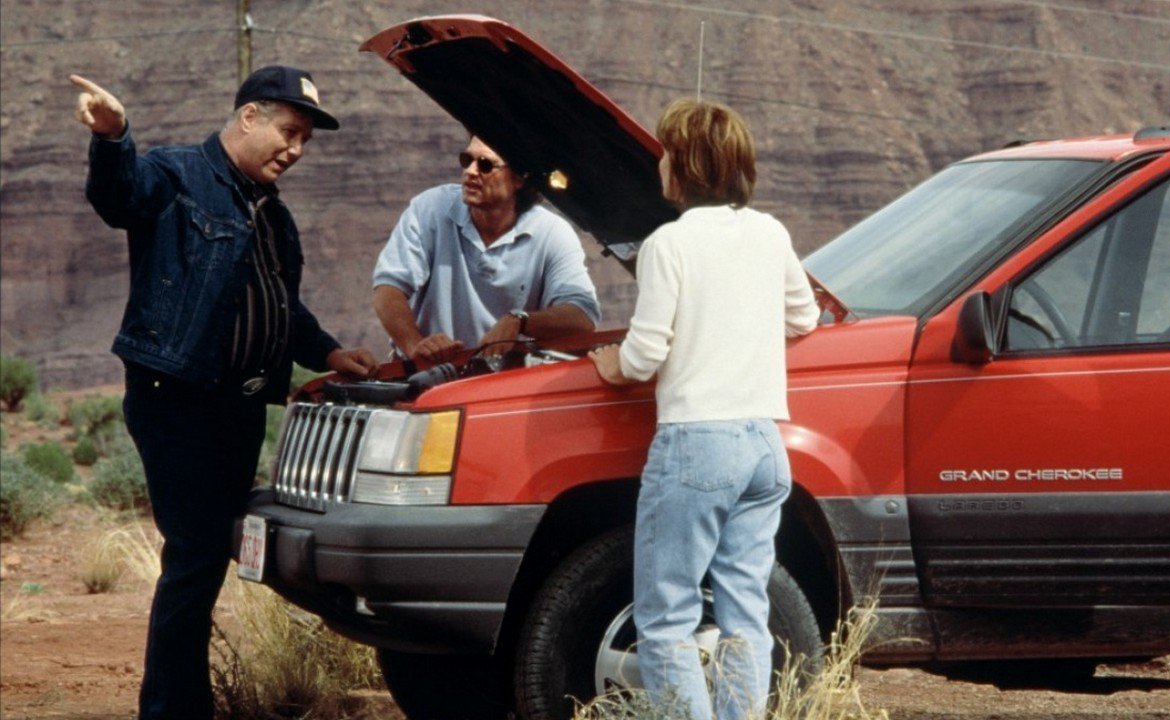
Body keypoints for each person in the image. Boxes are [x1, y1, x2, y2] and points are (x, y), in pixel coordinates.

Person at [70, 66, 378, 720]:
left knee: (213, 555)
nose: (295, 149)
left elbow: (279, 305)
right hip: (176, 399)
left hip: (238, 407)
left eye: (305, 140)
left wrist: (328, 353)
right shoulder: (177, 174)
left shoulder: (272, 213)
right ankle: (172, 709)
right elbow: (120, 196)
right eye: (289, 131)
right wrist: (113, 136)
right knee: (196, 554)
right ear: (249, 117)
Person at [590, 99, 819, 720]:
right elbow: (804, 317)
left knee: (666, 617)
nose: (659, 163)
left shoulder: (668, 244)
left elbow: (644, 355)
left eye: (666, 153)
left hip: (696, 443)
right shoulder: (770, 233)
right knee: (745, 613)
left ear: (686, 166)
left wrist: (610, 365)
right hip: (764, 444)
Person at [372, 135, 600, 365]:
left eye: (485, 165)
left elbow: (583, 314)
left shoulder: (552, 233)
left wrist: (519, 321)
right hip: (428, 372)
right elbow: (388, 289)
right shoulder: (430, 208)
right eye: (467, 160)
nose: (470, 171)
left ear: (519, 178)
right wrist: (416, 346)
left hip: (503, 379)